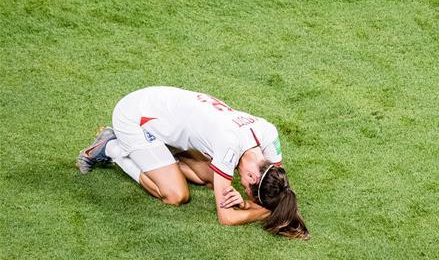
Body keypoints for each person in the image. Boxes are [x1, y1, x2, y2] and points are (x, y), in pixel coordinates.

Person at [77, 85, 309, 239]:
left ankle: (160, 156)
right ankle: (112, 146)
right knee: (176, 195)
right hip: (135, 117)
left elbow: (277, 178)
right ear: (252, 177)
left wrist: (275, 205)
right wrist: (266, 213)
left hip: (161, 107)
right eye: (248, 190)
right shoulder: (229, 147)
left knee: (210, 179)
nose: (244, 189)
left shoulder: (268, 132)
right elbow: (226, 217)